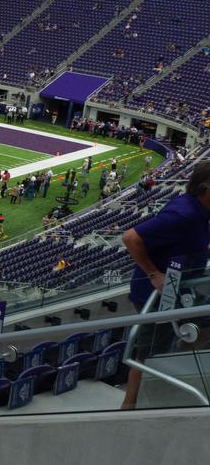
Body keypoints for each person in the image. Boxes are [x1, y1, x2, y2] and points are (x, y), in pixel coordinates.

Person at [120, 163, 210, 409]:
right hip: (158, 294)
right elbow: (130, 238)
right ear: (205, 189)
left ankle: (175, 364)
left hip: (180, 288)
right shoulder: (184, 214)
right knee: (148, 354)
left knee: (203, 324)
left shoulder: (199, 211)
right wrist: (153, 273)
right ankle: (128, 408)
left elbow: (189, 243)